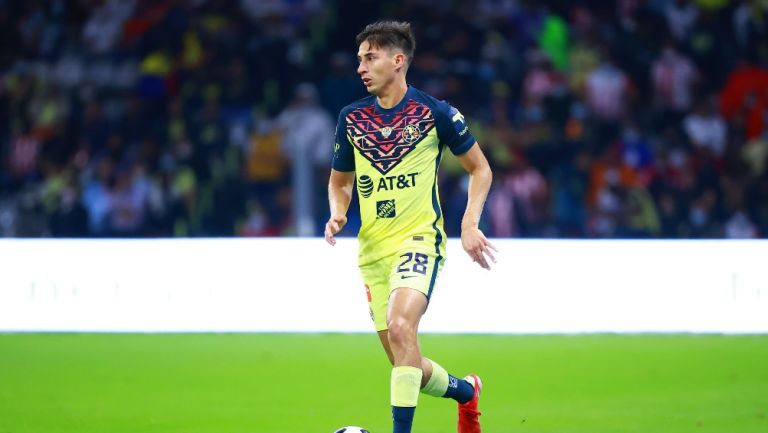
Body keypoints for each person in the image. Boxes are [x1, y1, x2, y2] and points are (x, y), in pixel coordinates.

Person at [324, 21, 496, 433]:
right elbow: (340, 181)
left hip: (419, 240)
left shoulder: (435, 113)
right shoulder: (351, 119)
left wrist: (469, 224)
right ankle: (466, 392)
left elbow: (480, 169)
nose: (361, 68)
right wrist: (338, 211)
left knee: (403, 327)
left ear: (398, 61)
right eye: (359, 60)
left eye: (371, 58)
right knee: (406, 359)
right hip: (372, 252)